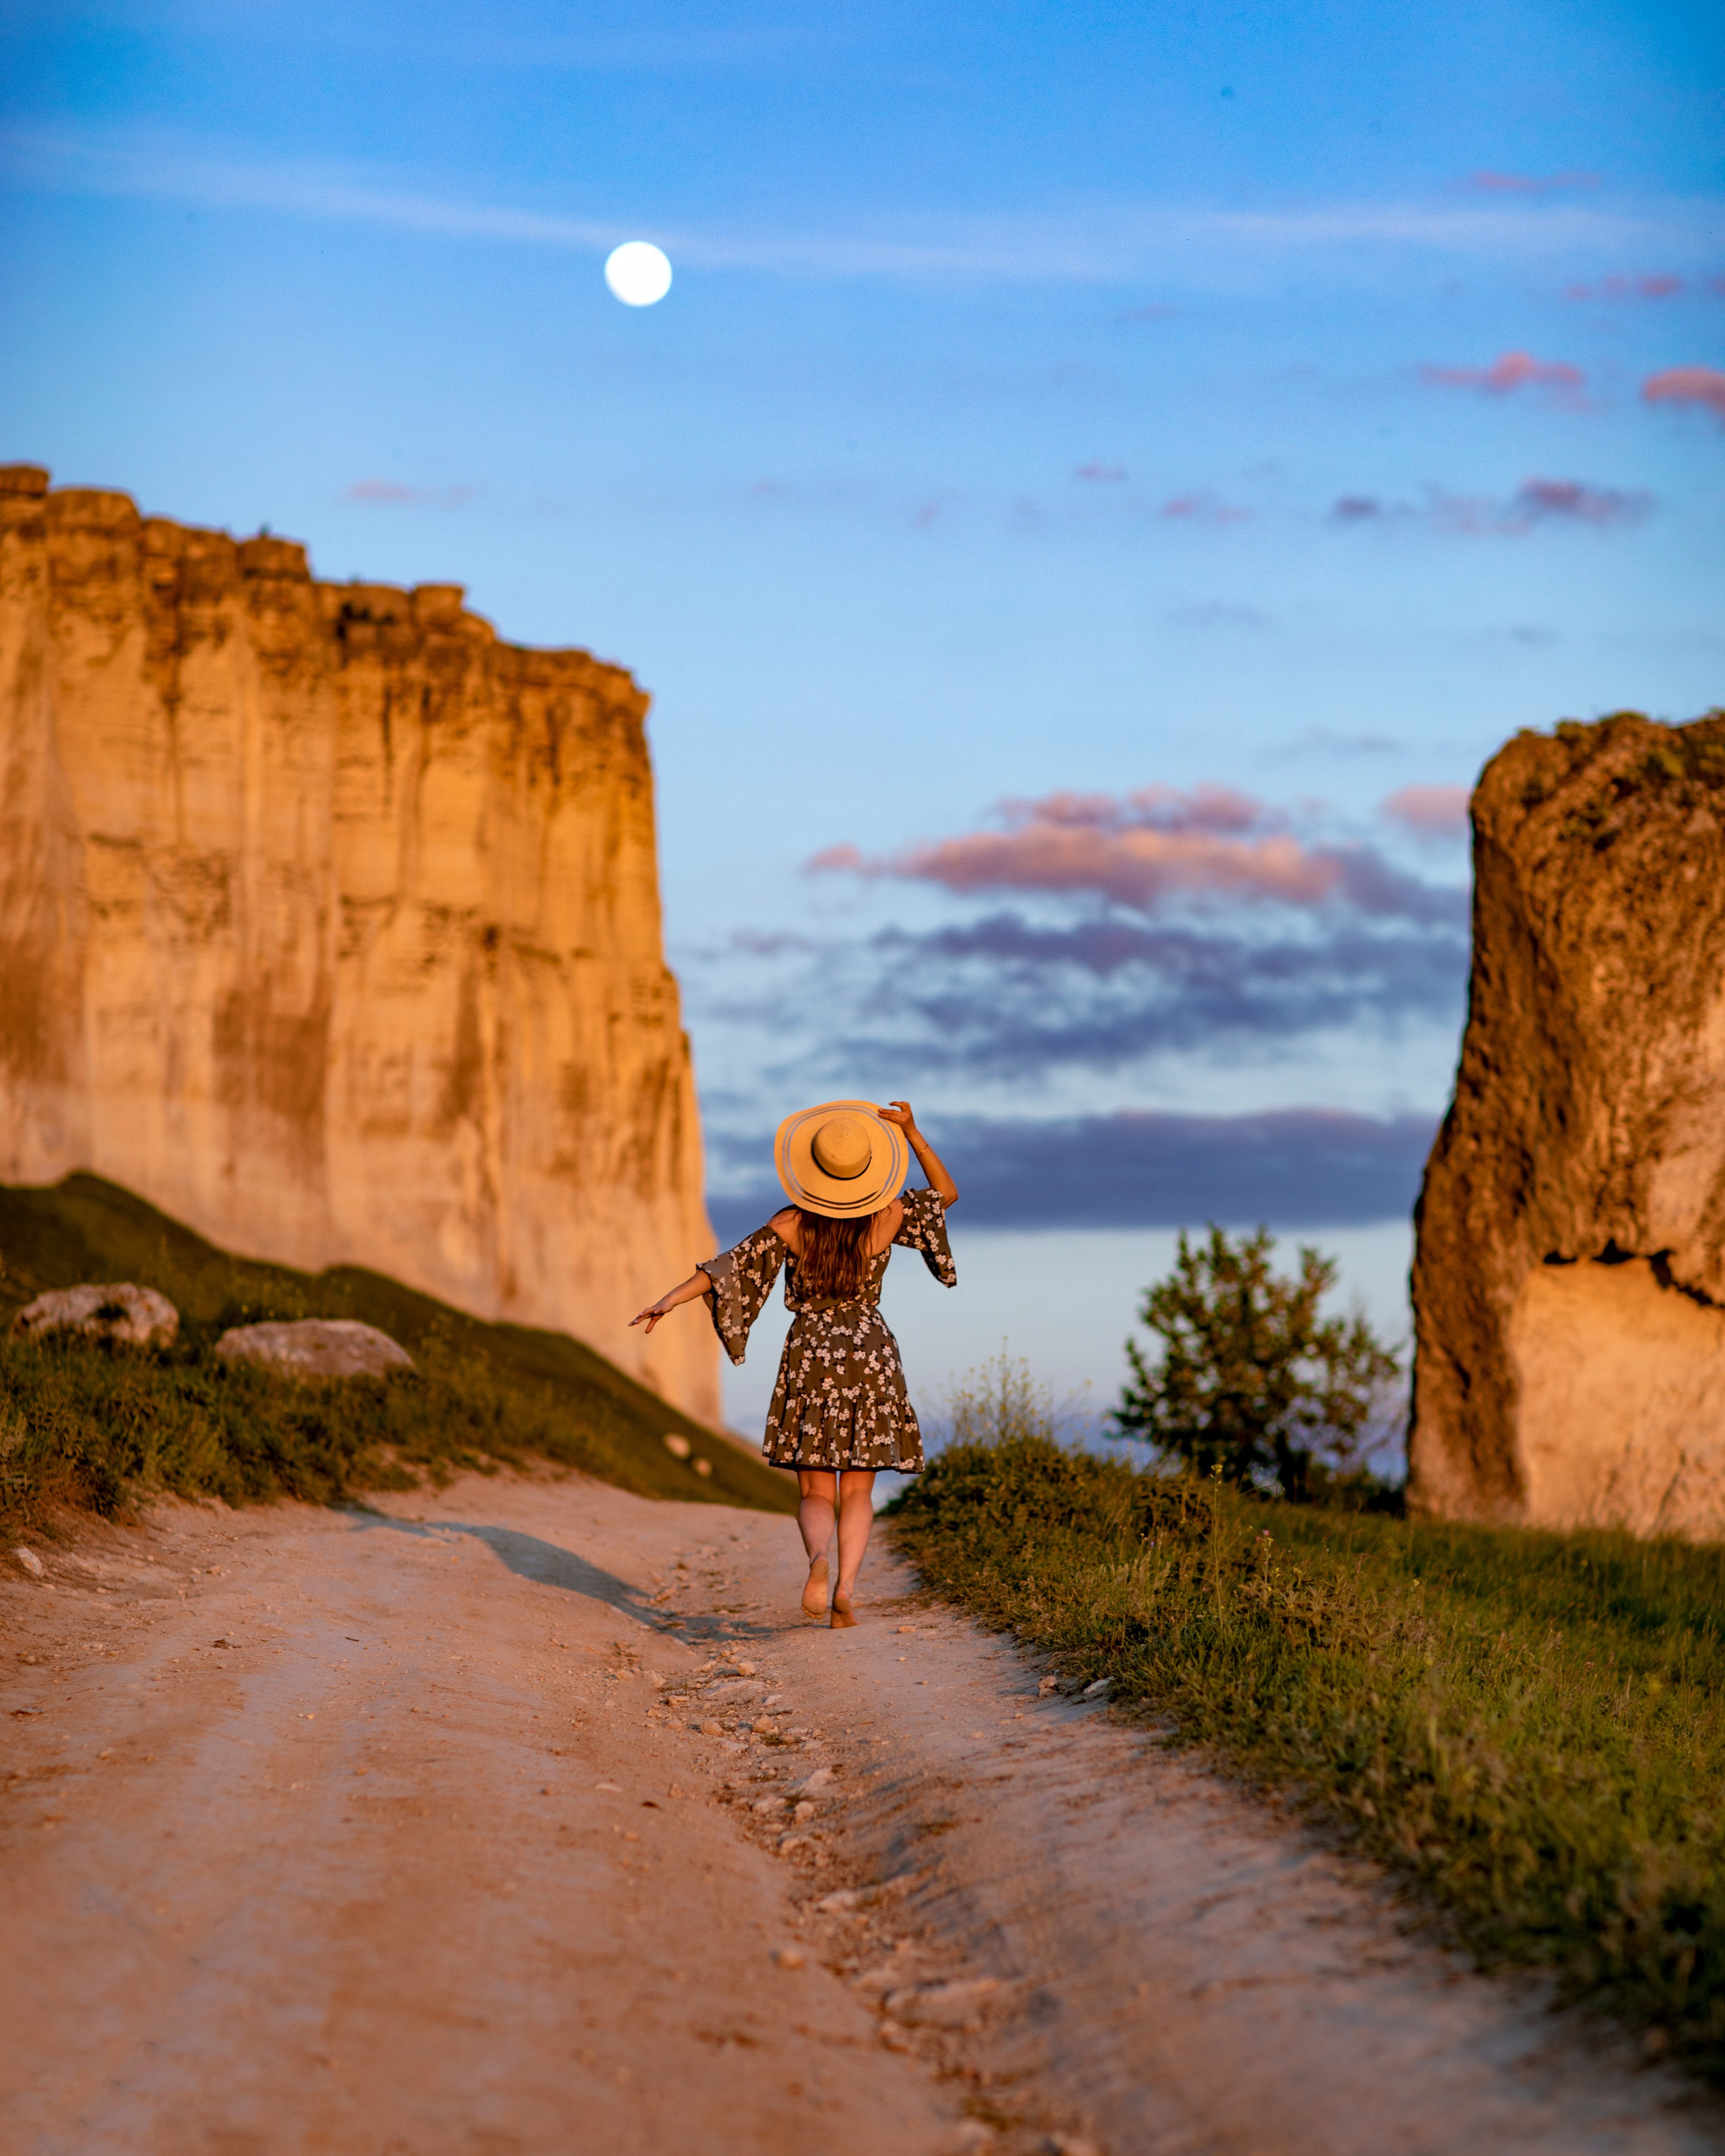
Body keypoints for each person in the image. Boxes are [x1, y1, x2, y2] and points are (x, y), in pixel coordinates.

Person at [631, 1099, 958, 1628]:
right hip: (870, 1348)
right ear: (868, 1172)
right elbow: (947, 1195)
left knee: (814, 1489)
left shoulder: (789, 1224)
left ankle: (818, 1560)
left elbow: (725, 1269)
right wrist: (914, 1135)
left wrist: (669, 1299)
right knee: (857, 1488)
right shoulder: (890, 1213)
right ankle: (847, 1586)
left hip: (811, 1349)